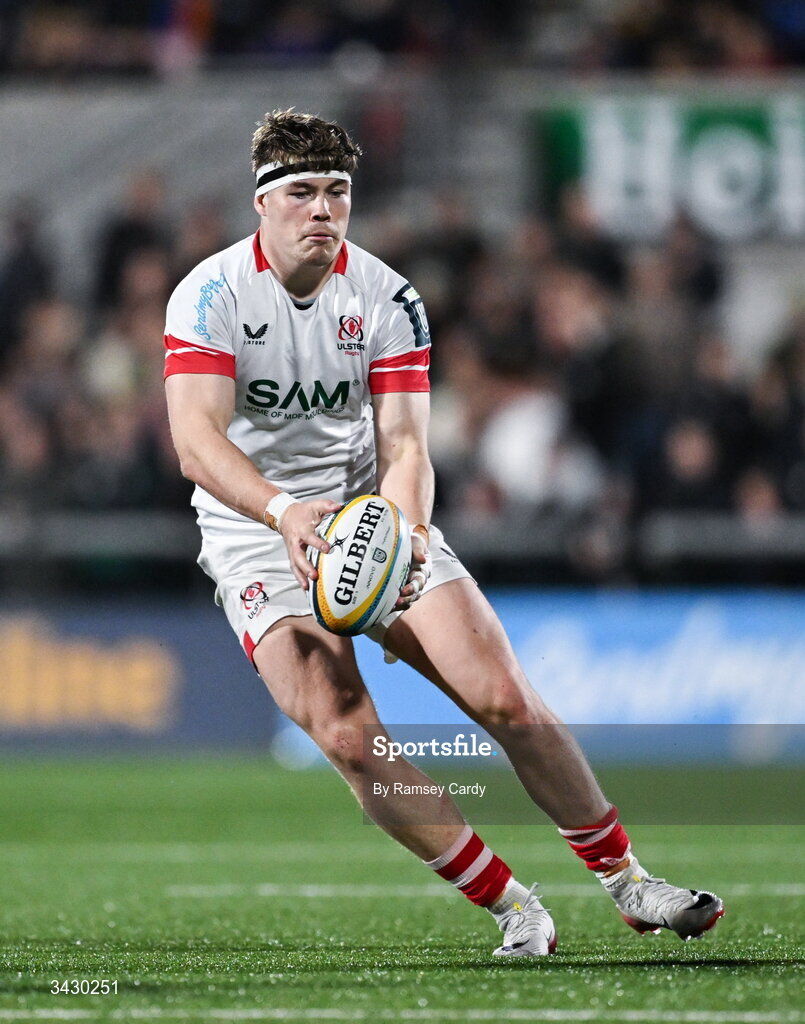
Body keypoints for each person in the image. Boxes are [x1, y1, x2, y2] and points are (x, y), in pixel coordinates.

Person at [163, 110, 724, 957]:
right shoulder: (209, 295)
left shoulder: (386, 295)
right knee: (348, 736)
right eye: (304, 194)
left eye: (338, 194)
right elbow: (196, 442)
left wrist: (408, 533)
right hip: (255, 527)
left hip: (369, 509)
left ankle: (630, 883)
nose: (323, 211)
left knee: (503, 696)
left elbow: (406, 444)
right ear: (263, 205)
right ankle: (513, 906)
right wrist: (282, 512)